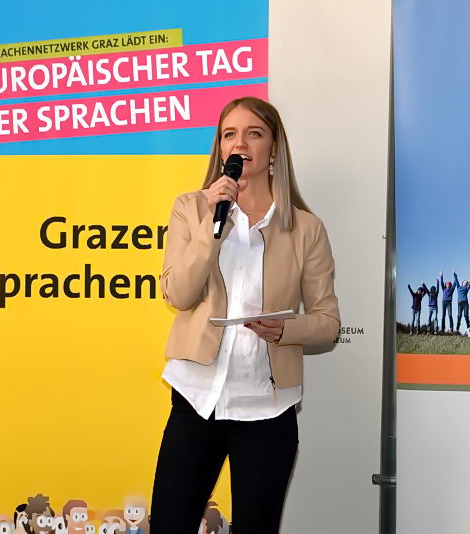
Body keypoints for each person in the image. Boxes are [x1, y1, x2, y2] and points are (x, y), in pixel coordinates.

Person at [152, 97, 340, 534]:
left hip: (267, 411)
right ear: (220, 148)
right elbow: (178, 293)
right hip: (196, 400)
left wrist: (285, 329)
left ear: (273, 148)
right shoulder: (191, 208)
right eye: (229, 135)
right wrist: (212, 225)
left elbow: (328, 322)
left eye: (254, 133)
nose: (240, 144)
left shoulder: (306, 228)